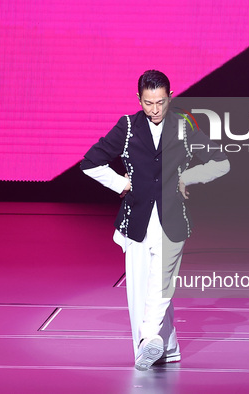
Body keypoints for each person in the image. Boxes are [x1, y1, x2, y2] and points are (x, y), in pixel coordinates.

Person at [80, 70, 230, 370]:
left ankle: (147, 342)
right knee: (138, 289)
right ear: (139, 100)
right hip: (136, 220)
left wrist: (190, 176)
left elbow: (220, 162)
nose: (155, 110)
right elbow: (89, 163)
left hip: (172, 219)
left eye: (160, 102)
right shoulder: (127, 127)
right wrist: (120, 183)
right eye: (148, 103)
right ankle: (168, 347)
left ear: (170, 97)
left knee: (161, 283)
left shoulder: (184, 126)